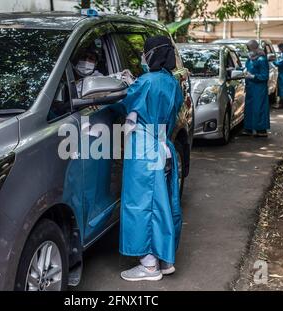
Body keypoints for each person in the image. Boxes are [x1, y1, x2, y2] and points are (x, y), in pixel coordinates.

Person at [118, 36, 184, 281]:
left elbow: (130, 104)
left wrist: (128, 84)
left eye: (145, 53)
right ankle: (165, 259)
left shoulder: (145, 82)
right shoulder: (172, 82)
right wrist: (135, 83)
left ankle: (148, 265)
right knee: (161, 204)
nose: (143, 58)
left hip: (144, 147)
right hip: (163, 143)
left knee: (140, 204)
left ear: (152, 55)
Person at [242, 40, 270, 137]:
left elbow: (265, 75)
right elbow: (247, 68)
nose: (248, 51)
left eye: (249, 48)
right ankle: (248, 128)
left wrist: (253, 76)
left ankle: (261, 130)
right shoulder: (250, 59)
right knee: (249, 108)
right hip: (250, 87)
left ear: (253, 48)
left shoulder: (262, 59)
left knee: (259, 108)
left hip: (259, 88)